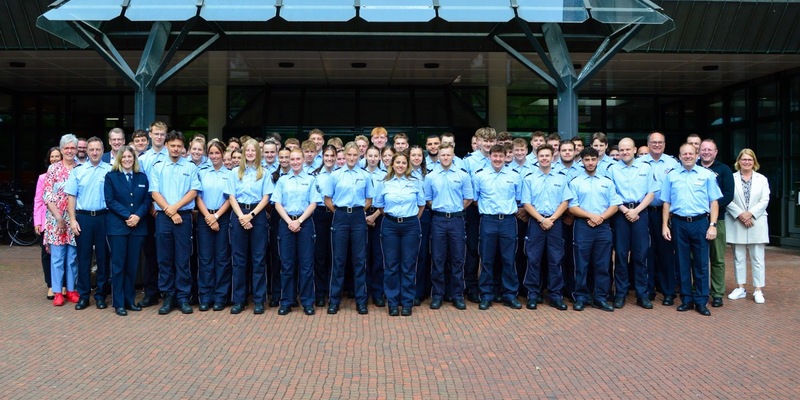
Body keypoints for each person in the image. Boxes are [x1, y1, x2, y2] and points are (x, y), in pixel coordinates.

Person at [661, 143, 722, 317]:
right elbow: (666, 202)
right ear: (679, 156)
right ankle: (686, 299)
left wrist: (713, 225)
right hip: (679, 223)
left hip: (700, 223)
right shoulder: (671, 176)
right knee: (682, 263)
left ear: (697, 155)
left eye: (690, 153)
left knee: (701, 264)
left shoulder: (707, 175)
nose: (687, 156)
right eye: (684, 154)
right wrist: (665, 225)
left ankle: (701, 301)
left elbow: (714, 202)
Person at [150, 130, 201, 315]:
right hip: (164, 217)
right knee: (164, 258)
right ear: (166, 146)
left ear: (183, 148)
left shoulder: (190, 167)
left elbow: (194, 191)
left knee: (183, 258)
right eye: (173, 145)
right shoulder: (157, 166)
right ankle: (168, 296)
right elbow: (154, 192)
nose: (176, 149)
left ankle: (183, 297)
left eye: (179, 146)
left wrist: (176, 208)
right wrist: (170, 212)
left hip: (184, 216)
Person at [322, 142, 374, 315]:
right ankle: (334, 301)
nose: (352, 158)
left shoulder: (365, 176)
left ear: (360, 155)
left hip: (358, 217)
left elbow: (369, 200)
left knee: (360, 260)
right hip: (341, 217)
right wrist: (339, 212)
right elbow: (327, 199)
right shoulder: (335, 175)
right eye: (348, 155)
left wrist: (358, 212)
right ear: (343, 155)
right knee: (338, 260)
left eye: (355, 155)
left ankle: (361, 300)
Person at [568, 147, 622, 312]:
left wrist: (601, 218)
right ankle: (581, 297)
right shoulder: (576, 182)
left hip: (603, 226)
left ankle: (600, 298)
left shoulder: (607, 181)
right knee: (581, 264)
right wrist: (591, 216)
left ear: (597, 160)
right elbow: (572, 207)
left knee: (603, 264)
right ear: (582, 162)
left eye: (593, 159)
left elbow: (615, 204)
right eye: (587, 160)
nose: (590, 163)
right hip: (583, 226)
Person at [609, 138, 659, 309]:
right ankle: (620, 294)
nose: (624, 152)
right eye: (622, 150)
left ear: (635, 150)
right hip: (621, 214)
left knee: (640, 255)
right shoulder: (612, 169)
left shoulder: (646, 167)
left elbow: (651, 193)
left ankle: (641, 294)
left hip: (640, 213)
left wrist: (636, 211)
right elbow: (611, 194)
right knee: (621, 255)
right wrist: (625, 211)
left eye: (627, 149)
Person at [472, 144, 523, 310]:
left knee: (509, 259)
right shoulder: (480, 175)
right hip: (488, 220)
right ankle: (486, 295)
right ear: (490, 157)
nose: (498, 159)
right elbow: (475, 198)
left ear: (506, 157)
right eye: (495, 156)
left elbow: (519, 198)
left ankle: (510, 294)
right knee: (487, 259)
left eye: (501, 156)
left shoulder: (514, 175)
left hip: (508, 221)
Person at [374, 151, 425, 316]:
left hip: (411, 226)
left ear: (407, 165)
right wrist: (392, 217)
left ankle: (407, 302)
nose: (401, 165)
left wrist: (410, 219)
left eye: (404, 163)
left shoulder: (415, 182)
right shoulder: (384, 183)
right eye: (398, 163)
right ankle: (393, 303)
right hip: (390, 226)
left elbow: (421, 205)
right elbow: (379, 205)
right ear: (392, 165)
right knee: (391, 265)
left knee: (409, 265)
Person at [521, 144, 571, 311]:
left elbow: (565, 202)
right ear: (537, 157)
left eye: (547, 156)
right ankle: (533, 295)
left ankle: (555, 296)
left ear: (552, 156)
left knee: (555, 260)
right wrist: (542, 219)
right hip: (536, 223)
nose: (544, 158)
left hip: (555, 223)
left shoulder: (561, 177)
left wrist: (553, 218)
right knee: (533, 259)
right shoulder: (529, 178)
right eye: (541, 156)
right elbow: (526, 203)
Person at [65, 136, 112, 310]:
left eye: (98, 149)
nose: (94, 152)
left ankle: (101, 296)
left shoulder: (110, 169)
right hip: (83, 218)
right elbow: (72, 196)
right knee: (83, 258)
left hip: (104, 218)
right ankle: (84, 296)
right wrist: (72, 219)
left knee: (103, 257)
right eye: (91, 149)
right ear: (86, 151)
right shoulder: (77, 171)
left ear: (102, 150)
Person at [424, 143, 472, 310]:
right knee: (438, 258)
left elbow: (468, 198)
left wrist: (455, 210)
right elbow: (428, 199)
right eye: (442, 155)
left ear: (453, 156)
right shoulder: (430, 177)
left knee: (458, 258)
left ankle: (457, 295)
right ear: (438, 156)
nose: (445, 158)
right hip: (438, 220)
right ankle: (437, 295)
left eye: (448, 155)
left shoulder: (462, 175)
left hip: (457, 220)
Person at [227, 139, 272, 315]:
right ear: (244, 152)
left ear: (257, 153)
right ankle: (239, 300)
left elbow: (266, 197)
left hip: (257, 214)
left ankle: (259, 300)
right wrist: (241, 217)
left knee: (258, 259)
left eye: (254, 150)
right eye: (248, 150)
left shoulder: (264, 173)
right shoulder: (234, 172)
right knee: (239, 260)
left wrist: (251, 215)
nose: (251, 153)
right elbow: (231, 197)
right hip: (239, 213)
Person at [273, 148, 320, 316]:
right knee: (287, 265)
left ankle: (307, 301)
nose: (295, 162)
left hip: (305, 223)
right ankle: (286, 301)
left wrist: (299, 221)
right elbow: (277, 203)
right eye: (292, 159)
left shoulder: (311, 180)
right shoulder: (283, 181)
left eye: (297, 159)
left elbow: (314, 203)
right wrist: (289, 222)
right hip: (286, 223)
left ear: (303, 160)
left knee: (306, 265)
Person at [103, 146, 149, 316]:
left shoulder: (142, 177)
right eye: (125, 157)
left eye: (131, 157)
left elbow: (146, 201)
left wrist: (137, 216)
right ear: (119, 159)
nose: (128, 159)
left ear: (134, 159)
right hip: (118, 228)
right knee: (118, 266)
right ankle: (119, 302)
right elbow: (110, 200)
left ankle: (130, 300)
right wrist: (128, 215)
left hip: (137, 228)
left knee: (132, 266)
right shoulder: (111, 177)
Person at [639, 131, 680, 306]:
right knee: (646, 252)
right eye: (654, 142)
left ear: (664, 144)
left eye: (660, 142)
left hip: (665, 213)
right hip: (644, 212)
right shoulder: (639, 163)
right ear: (648, 144)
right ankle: (648, 290)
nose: (657, 145)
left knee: (666, 253)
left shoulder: (673, 163)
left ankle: (668, 291)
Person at [726, 149, 770, 304]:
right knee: (738, 257)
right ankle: (740, 288)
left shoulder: (762, 179)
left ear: (754, 162)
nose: (746, 162)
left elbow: (765, 200)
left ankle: (758, 290)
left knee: (757, 258)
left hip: (756, 222)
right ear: (739, 161)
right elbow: (727, 198)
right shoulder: (731, 178)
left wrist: (750, 214)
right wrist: (741, 215)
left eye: (749, 160)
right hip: (737, 221)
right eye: (744, 159)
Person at [136, 121, 169, 309]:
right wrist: (150, 205)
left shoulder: (172, 156)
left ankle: (168, 291)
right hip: (149, 212)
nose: (159, 137)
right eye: (156, 134)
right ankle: (151, 293)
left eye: (162, 134)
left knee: (167, 253)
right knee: (150, 254)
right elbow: (142, 186)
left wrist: (162, 206)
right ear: (150, 135)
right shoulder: (143, 159)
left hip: (167, 211)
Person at [195, 140, 232, 312]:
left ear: (223, 154)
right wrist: (209, 217)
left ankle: (220, 297)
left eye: (218, 153)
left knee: (222, 258)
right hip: (205, 217)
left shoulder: (230, 174)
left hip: (222, 217)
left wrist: (216, 216)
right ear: (207, 155)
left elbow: (230, 199)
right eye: (211, 153)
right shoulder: (202, 172)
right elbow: (198, 197)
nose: (214, 156)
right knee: (205, 258)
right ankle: (206, 296)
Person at [44, 134, 80, 306]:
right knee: (57, 257)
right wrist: (58, 217)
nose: (70, 151)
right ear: (61, 149)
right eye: (66, 148)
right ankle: (58, 292)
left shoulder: (81, 167)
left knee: (72, 256)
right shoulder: (53, 169)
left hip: (75, 219)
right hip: (56, 219)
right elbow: (47, 195)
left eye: (72, 148)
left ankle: (72, 290)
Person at [698, 139, 734, 308]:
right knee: (696, 258)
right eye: (703, 149)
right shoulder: (692, 167)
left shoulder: (724, 170)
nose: (706, 152)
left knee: (717, 258)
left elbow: (728, 195)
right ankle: (698, 289)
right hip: (696, 220)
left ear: (715, 152)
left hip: (717, 220)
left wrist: (710, 208)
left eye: (709, 150)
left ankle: (717, 293)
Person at [311, 145, 338, 306]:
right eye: (326, 155)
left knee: (335, 255)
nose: (329, 158)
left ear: (336, 157)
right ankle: (320, 293)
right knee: (320, 255)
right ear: (322, 157)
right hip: (320, 214)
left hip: (336, 214)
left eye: (332, 156)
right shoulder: (315, 175)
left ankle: (333, 292)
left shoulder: (340, 174)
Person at [35, 147, 63, 300]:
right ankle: (51, 285)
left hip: (64, 220)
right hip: (47, 221)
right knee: (47, 254)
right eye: (52, 156)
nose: (54, 159)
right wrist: (37, 222)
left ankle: (64, 285)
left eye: (57, 156)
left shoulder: (68, 174)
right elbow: (38, 201)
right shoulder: (42, 178)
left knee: (65, 254)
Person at [364, 146, 387, 307]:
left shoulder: (385, 175)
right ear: (365, 156)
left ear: (379, 158)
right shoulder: (360, 173)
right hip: (361, 217)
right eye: (369, 155)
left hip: (379, 216)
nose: (372, 158)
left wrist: (374, 216)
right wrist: (364, 216)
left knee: (379, 257)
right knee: (362, 257)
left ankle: (378, 293)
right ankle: (363, 292)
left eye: (375, 156)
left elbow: (385, 201)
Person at [409, 145, 431, 305]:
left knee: (422, 254)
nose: (416, 158)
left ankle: (419, 291)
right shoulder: (403, 173)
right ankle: (407, 289)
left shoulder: (428, 175)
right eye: (413, 155)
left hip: (424, 216)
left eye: (419, 155)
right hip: (408, 215)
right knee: (408, 255)